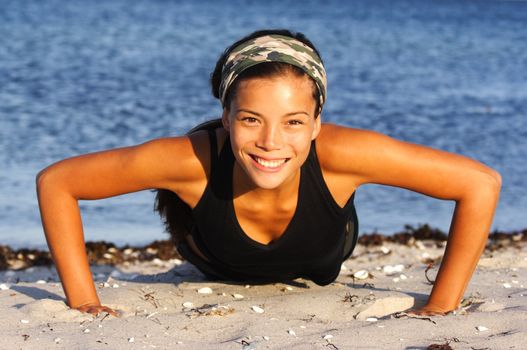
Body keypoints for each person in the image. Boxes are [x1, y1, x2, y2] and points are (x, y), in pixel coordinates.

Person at [36, 29, 501, 318]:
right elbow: (58, 181)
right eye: (251, 119)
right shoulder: (188, 160)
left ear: (317, 122)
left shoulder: (346, 154)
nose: (271, 143)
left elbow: (480, 183)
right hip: (215, 257)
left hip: (323, 251)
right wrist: (83, 302)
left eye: (294, 122)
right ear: (225, 114)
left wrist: (440, 305)